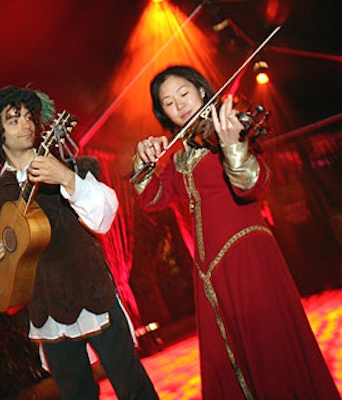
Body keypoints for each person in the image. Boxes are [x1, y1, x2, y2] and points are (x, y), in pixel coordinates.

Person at [131, 65, 340, 399]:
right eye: (168, 102)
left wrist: (233, 146)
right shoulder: (181, 156)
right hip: (210, 273)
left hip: (248, 258)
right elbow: (151, 198)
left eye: (184, 93)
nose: (179, 105)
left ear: (202, 90)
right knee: (234, 361)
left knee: (270, 351)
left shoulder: (231, 130)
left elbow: (253, 185)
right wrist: (143, 162)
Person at [0, 85, 159, 400]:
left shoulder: (69, 166)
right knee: (76, 394)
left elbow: (105, 217)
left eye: (29, 118)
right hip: (45, 310)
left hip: (94, 294)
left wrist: (66, 178)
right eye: (14, 119)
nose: (26, 125)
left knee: (133, 387)